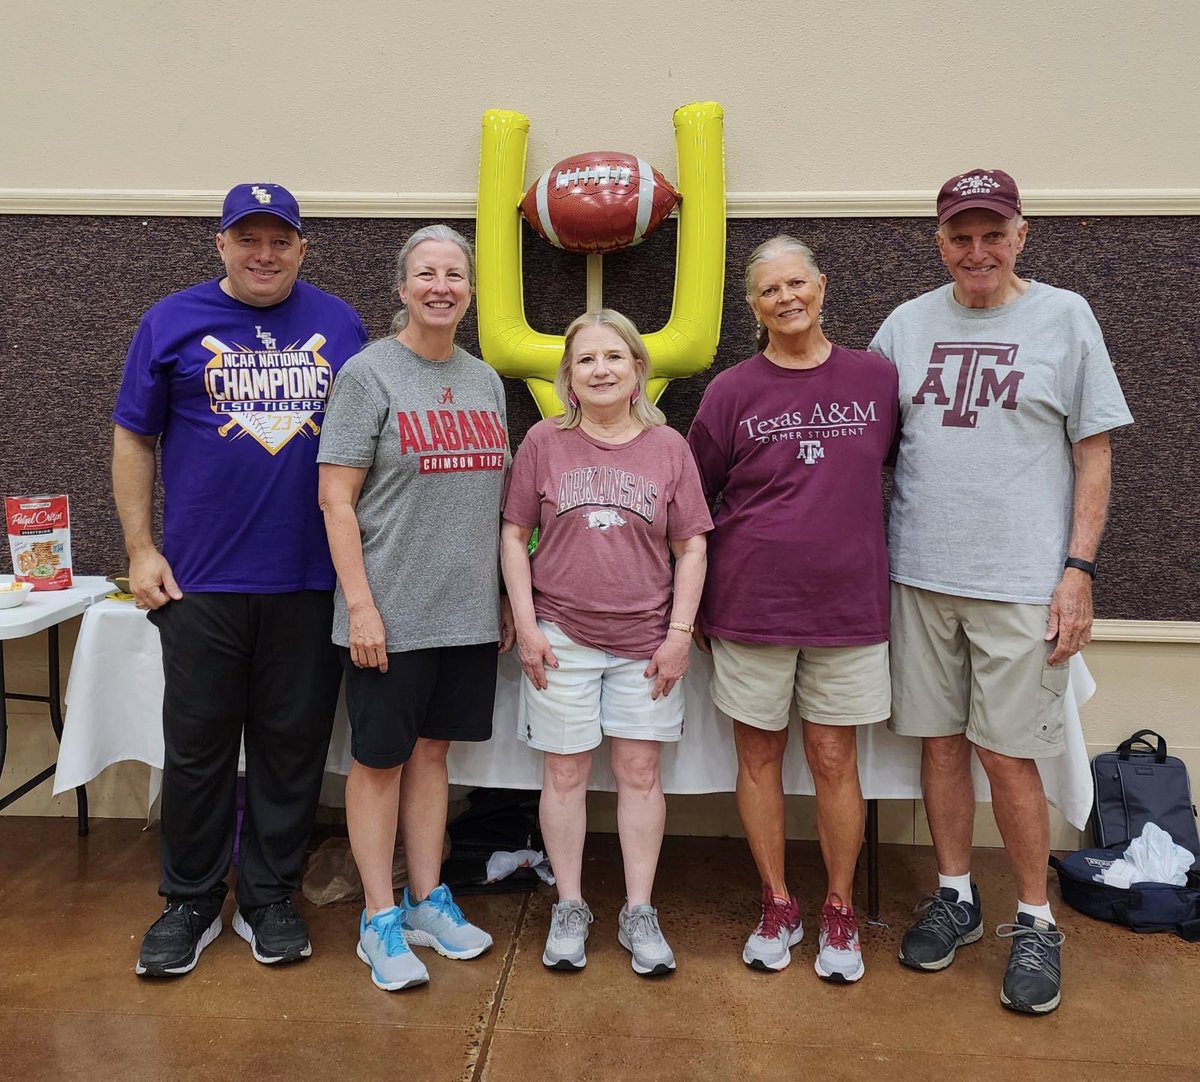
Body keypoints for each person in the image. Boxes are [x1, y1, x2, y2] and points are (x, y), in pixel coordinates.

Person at [870, 169, 1133, 1014]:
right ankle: (956, 895)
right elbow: (861, 442)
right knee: (940, 742)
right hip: (919, 575)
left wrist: (1078, 572)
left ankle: (1033, 919)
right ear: (939, 242)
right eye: (959, 236)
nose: (976, 250)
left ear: (1022, 234)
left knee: (1010, 753)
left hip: (1022, 582)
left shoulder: (1064, 317)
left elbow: (1094, 451)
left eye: (992, 233)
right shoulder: (906, 326)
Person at [113, 183, 369, 977]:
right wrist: (139, 546)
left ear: (302, 248)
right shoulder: (171, 321)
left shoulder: (340, 324)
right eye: (247, 239)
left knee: (292, 750)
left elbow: (367, 449)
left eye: (280, 240)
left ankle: (268, 898)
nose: (264, 254)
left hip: (307, 579)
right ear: (220, 244)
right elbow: (132, 436)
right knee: (198, 749)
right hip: (201, 582)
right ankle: (189, 900)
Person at [686, 237, 898, 982]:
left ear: (822, 286)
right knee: (760, 757)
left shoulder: (876, 380)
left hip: (848, 608)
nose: (787, 298)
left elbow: (902, 474)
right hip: (750, 607)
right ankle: (777, 901)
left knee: (836, 759)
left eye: (797, 283)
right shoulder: (731, 391)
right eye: (770, 290)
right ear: (754, 306)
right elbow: (693, 500)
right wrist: (697, 604)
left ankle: (839, 909)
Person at [317, 224, 513, 993]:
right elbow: (336, 499)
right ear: (401, 289)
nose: (441, 286)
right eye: (426, 274)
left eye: (454, 275)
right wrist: (361, 607)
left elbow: (488, 500)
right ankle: (377, 919)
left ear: (468, 290)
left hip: (463, 613)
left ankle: (428, 900)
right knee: (379, 762)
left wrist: (494, 595)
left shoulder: (484, 379)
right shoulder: (369, 376)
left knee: (434, 755)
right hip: (388, 615)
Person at [500, 309, 711, 978]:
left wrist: (680, 634)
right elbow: (512, 535)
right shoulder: (543, 441)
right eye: (587, 359)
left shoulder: (668, 446)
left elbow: (692, 545)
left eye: (615, 357)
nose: (601, 369)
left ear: (637, 370)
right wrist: (527, 624)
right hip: (561, 633)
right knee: (564, 771)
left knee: (639, 773)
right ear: (568, 375)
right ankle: (570, 904)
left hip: (645, 638)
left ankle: (639, 909)